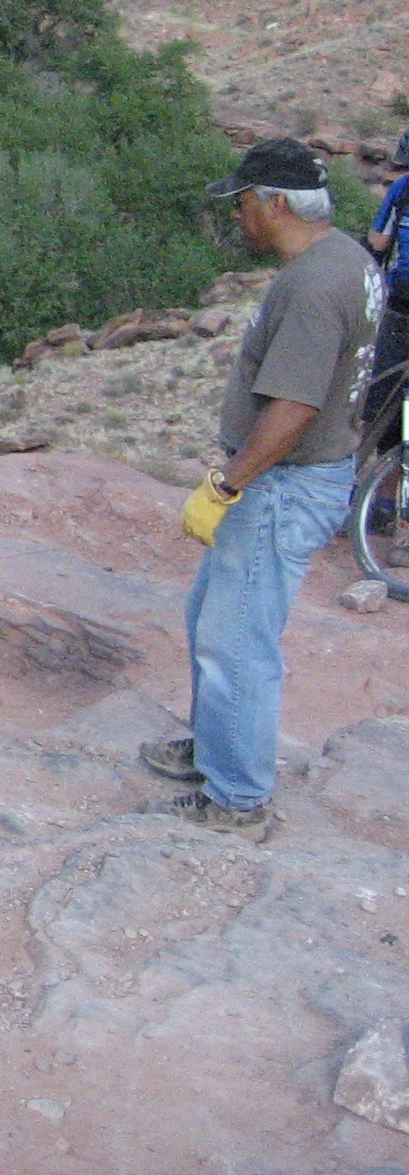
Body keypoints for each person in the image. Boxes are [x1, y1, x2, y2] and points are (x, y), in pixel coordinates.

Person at [141, 140, 383, 841]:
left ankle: (239, 798)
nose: (238, 214)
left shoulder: (313, 287)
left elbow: (294, 407)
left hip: (283, 484)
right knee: (213, 619)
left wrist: (226, 484)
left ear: (276, 204)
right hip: (294, 478)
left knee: (238, 640)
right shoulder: (345, 259)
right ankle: (216, 747)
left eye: (243, 201)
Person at [364, 132, 409, 513]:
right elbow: (378, 243)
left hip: (398, 308)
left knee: (382, 403)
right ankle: (385, 501)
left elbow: (376, 243)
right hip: (398, 310)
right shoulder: (401, 190)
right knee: (387, 406)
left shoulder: (402, 189)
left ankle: (385, 502)